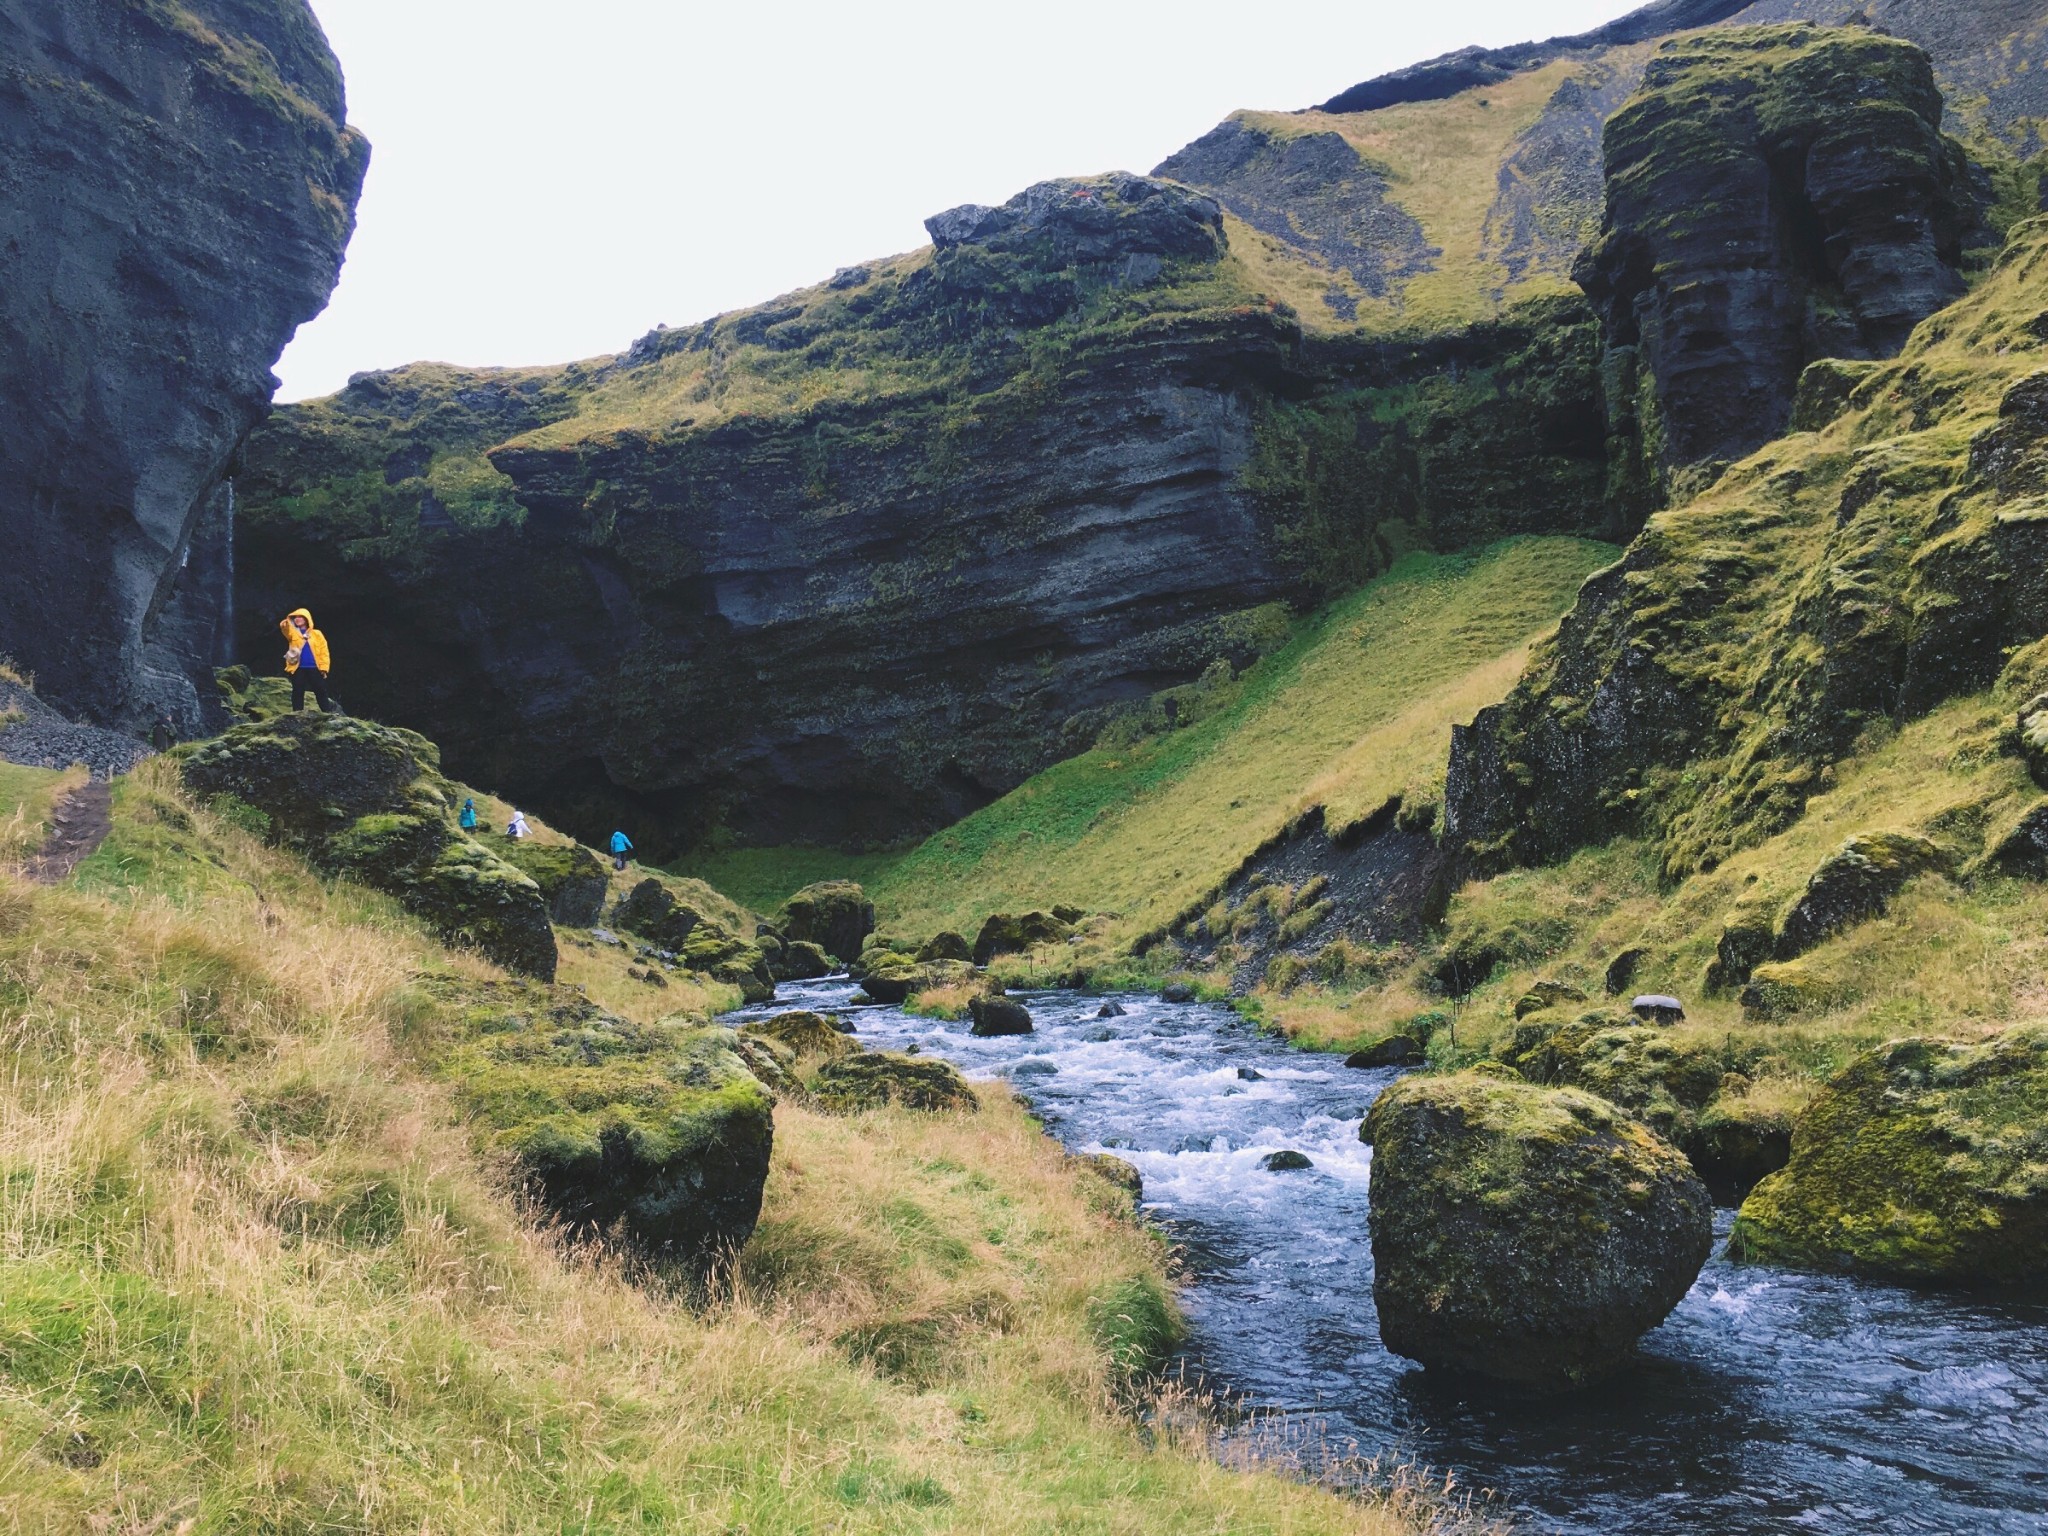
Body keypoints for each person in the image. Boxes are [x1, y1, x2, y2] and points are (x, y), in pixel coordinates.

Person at [278, 607, 338, 713]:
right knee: (298, 691)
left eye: (300, 617)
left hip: (314, 667)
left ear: (307, 619)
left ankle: (327, 713)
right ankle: (297, 713)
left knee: (320, 690)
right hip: (298, 667)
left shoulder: (317, 634)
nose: (297, 619)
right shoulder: (293, 633)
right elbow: (285, 629)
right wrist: (286, 622)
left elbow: (324, 651)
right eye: (295, 617)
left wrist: (324, 667)